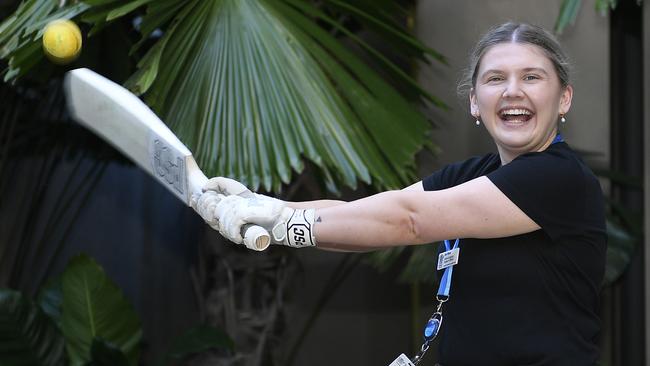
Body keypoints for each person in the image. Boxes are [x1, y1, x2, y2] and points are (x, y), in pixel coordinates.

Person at [191, 22, 606, 366]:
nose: (512, 91)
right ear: (475, 103)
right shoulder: (476, 174)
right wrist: (262, 208)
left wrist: (285, 226)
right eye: (495, 79)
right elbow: (364, 211)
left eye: (531, 77)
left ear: (563, 97)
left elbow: (409, 219)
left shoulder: (559, 178)